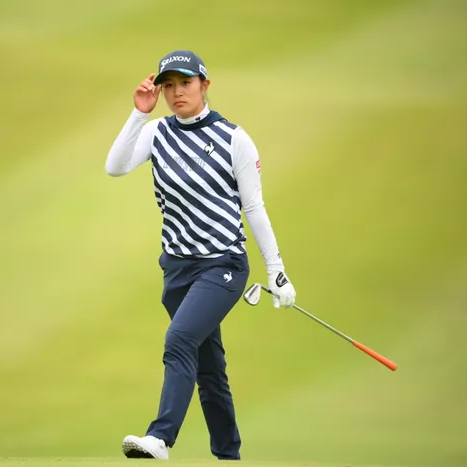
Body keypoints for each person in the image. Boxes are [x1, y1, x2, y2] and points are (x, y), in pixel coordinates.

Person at [104, 49, 297, 461]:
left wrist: (276, 269)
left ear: (205, 85)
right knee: (210, 371)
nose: (176, 93)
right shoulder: (157, 133)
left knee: (179, 340)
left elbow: (254, 208)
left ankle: (160, 438)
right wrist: (138, 114)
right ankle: (228, 455)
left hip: (223, 264)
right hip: (177, 268)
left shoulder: (233, 138)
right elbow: (115, 167)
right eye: (168, 85)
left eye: (185, 83)